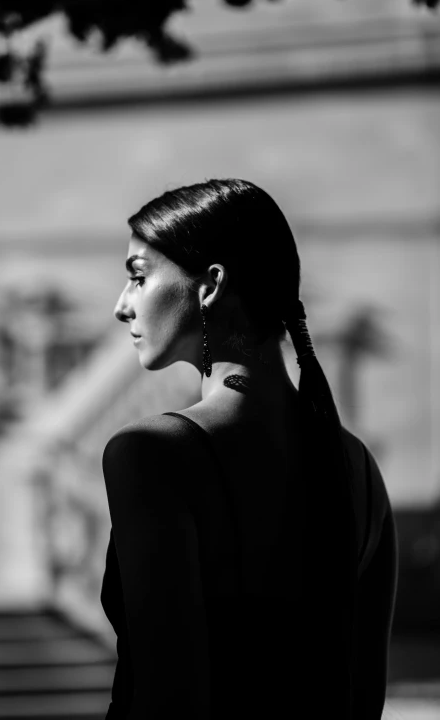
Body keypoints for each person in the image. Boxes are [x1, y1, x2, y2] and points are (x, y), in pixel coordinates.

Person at [100, 178, 398, 720]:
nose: (122, 306)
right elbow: (363, 704)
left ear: (210, 285)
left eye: (138, 278)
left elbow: (171, 702)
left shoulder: (150, 453)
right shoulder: (359, 468)